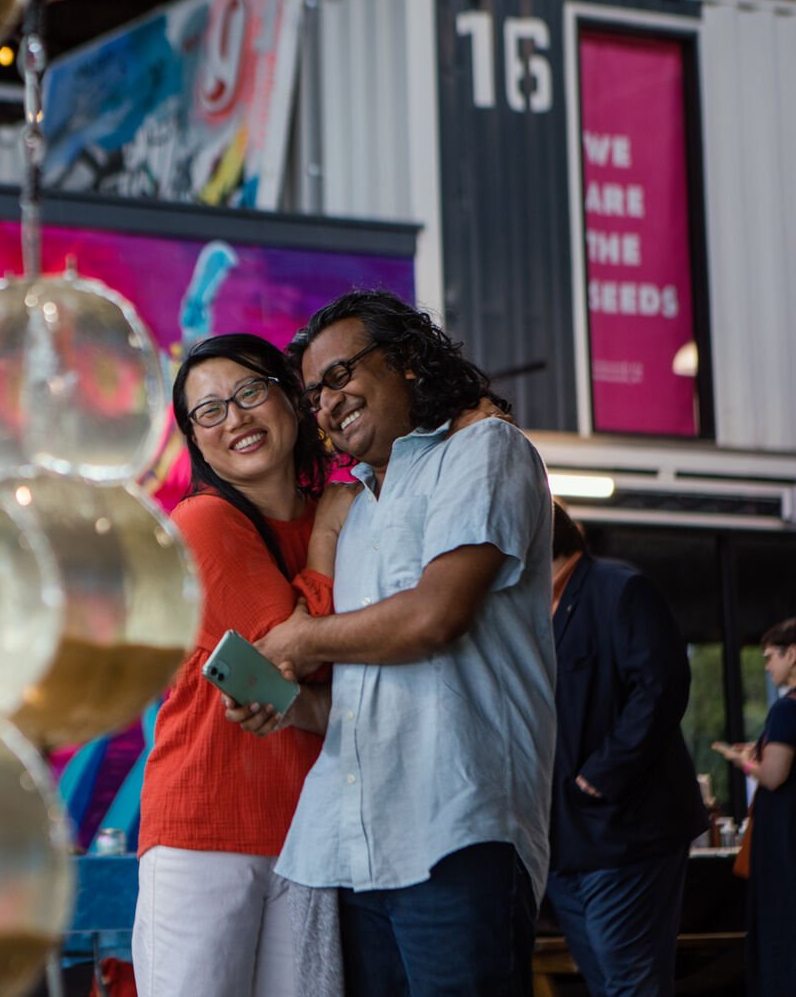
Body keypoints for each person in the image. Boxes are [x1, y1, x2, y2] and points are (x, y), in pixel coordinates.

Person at [258, 290, 555, 997]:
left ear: (410, 360)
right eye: (314, 395)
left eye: (340, 376)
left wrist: (304, 637)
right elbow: (353, 702)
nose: (327, 404)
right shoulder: (358, 512)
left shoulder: (484, 450)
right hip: (352, 845)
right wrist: (283, 700)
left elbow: (434, 616)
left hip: (457, 827)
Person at [132, 333, 353, 997]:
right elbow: (294, 650)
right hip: (206, 831)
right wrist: (326, 539)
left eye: (250, 391)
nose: (235, 419)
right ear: (196, 442)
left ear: (291, 398)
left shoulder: (345, 512)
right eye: (209, 411)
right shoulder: (203, 523)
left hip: (309, 835)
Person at [542, 500, 707, 997]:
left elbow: (661, 687)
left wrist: (599, 776)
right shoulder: (531, 610)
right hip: (563, 841)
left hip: (626, 829)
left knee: (630, 984)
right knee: (607, 983)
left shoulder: (619, 588)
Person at [715, 619, 796, 997]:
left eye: (769, 657)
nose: (766, 666)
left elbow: (774, 776)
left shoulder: (785, 710)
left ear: (791, 653)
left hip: (783, 841)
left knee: (781, 929)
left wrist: (743, 762)